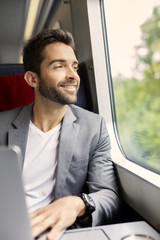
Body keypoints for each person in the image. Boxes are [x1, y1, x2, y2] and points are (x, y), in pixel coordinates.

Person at [0, 29, 121, 240]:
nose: (73, 75)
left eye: (74, 67)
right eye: (59, 66)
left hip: (58, 234)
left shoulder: (94, 127)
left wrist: (77, 204)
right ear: (32, 79)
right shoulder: (2, 124)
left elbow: (108, 196)